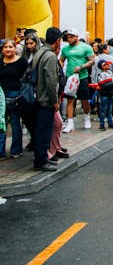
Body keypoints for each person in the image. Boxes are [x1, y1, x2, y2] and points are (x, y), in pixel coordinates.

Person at [32, 28, 62, 171]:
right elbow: (51, 81)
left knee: (41, 130)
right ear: (57, 41)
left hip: (38, 97)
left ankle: (43, 158)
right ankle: (41, 161)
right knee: (44, 132)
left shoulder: (40, 52)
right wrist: (55, 101)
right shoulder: (49, 56)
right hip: (45, 100)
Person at [61, 29, 95, 132]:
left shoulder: (86, 47)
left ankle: (86, 118)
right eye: (68, 37)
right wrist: (60, 67)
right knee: (70, 100)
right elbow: (62, 59)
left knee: (84, 99)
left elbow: (92, 61)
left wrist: (81, 67)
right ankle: (70, 123)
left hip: (82, 77)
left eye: (71, 36)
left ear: (76, 36)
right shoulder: (65, 49)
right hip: (70, 77)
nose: (69, 39)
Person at [0, 39, 28, 158]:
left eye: (10, 47)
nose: (8, 49)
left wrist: (21, 95)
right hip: (1, 96)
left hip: (15, 96)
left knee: (16, 124)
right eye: (5, 47)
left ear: (15, 48)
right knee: (1, 124)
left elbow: (27, 78)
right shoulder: (0, 61)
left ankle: (16, 150)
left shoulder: (21, 62)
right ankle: (1, 152)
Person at [91, 59, 113, 131]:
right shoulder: (101, 74)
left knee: (109, 109)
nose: (107, 66)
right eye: (105, 65)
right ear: (102, 67)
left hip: (110, 93)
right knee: (103, 109)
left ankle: (110, 122)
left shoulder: (110, 72)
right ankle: (102, 124)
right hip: (104, 94)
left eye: (107, 64)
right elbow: (103, 84)